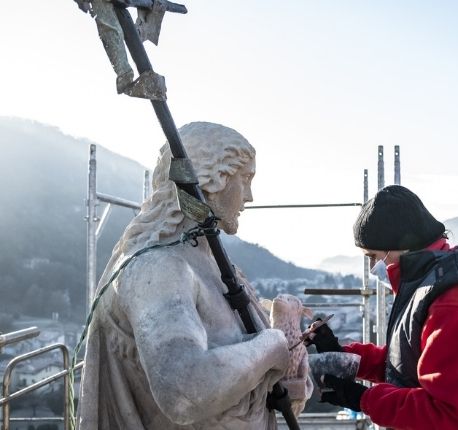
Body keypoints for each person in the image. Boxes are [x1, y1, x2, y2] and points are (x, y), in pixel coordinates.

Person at [80, 122, 301, 429]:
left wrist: (290, 374)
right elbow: (184, 391)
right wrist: (271, 345)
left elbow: (249, 380)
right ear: (210, 180)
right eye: (245, 179)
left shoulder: (218, 266)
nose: (249, 195)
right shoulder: (158, 268)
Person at [308, 185, 458, 429]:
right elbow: (407, 363)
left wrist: (363, 398)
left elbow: (448, 416)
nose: (372, 268)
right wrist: (344, 357)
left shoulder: (454, 302)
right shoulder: (434, 282)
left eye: (372, 256)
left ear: (397, 245)